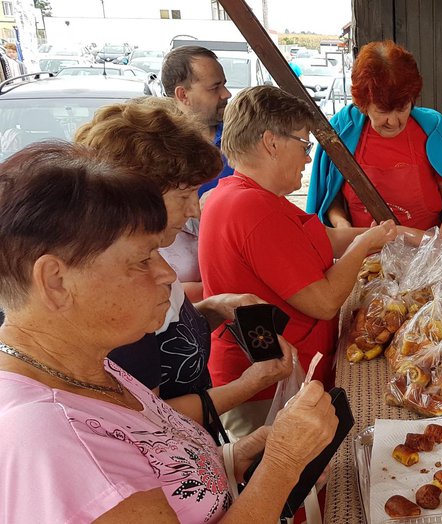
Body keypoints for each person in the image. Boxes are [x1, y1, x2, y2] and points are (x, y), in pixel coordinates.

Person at [0, 141, 338, 522]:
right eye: (143, 260)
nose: (168, 274)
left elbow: (163, 468)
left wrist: (233, 458)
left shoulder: (86, 364)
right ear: (56, 281)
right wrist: (282, 464)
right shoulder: (51, 440)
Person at [200, 85, 418, 438]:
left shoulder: (250, 196)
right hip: (267, 390)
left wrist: (398, 234)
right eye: (304, 145)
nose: (306, 158)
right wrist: (364, 245)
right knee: (285, 482)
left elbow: (323, 239)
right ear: (272, 142)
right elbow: (324, 302)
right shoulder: (251, 209)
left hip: (280, 377)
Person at [73, 98, 292, 437]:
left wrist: (214, 309)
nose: (194, 209)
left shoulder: (153, 258)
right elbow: (150, 418)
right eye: (184, 195)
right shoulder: (118, 292)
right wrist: (250, 384)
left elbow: (169, 337)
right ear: (137, 198)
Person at [306, 40, 442, 238]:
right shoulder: (342, 132)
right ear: (363, 103)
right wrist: (341, 224)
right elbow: (329, 198)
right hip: (365, 258)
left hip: (427, 255)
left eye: (402, 108)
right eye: (383, 111)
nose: (393, 122)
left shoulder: (433, 132)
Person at [161, 45, 234, 302]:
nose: (226, 94)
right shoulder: (156, 153)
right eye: (215, 88)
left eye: (224, 84)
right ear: (183, 94)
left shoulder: (240, 140)